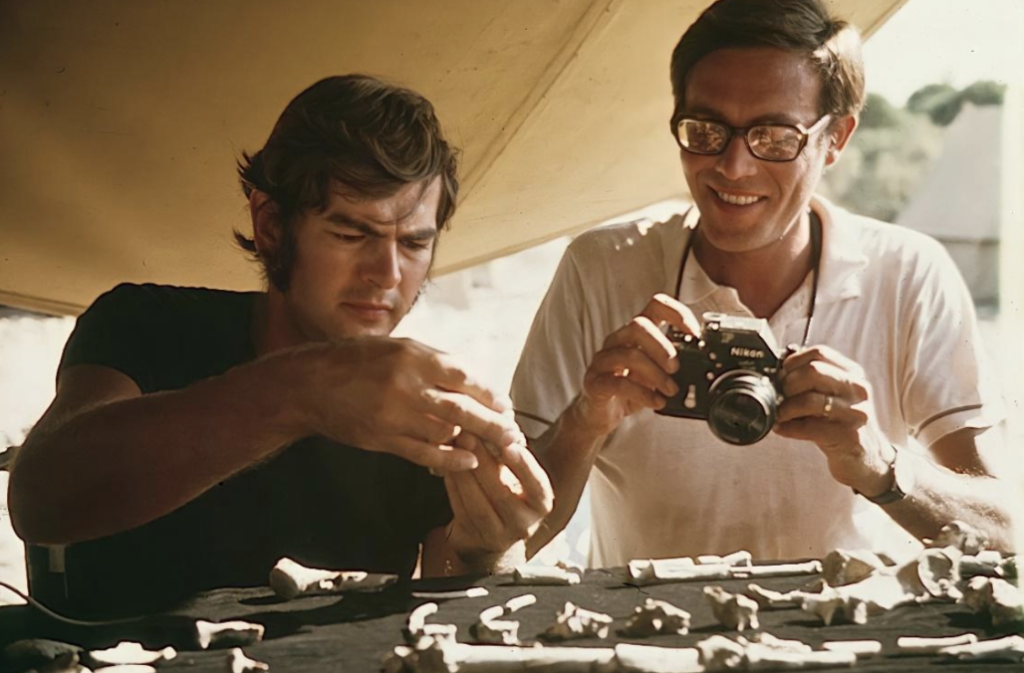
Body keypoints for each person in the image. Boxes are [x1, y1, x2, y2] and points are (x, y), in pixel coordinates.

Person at [7, 74, 552, 615]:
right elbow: (39, 502)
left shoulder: (416, 404)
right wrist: (300, 392)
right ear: (270, 224)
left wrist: (488, 546)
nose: (387, 273)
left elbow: (453, 609)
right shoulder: (148, 322)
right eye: (351, 234)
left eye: (413, 243)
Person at [513, 0, 1015, 568]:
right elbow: (490, 542)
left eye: (774, 137)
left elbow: (1006, 531)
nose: (733, 167)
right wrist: (584, 423)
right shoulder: (601, 268)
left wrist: (880, 465)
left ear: (838, 139)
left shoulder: (907, 275)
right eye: (705, 131)